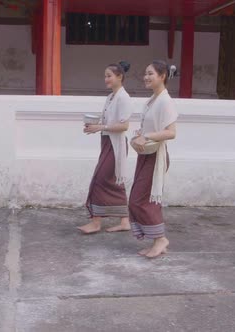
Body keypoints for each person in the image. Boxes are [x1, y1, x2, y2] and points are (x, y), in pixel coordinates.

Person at [129, 60, 178, 258]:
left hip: (156, 156)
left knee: (140, 199)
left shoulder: (165, 101)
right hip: (146, 155)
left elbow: (171, 133)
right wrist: (140, 133)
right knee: (140, 199)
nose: (146, 77)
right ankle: (157, 240)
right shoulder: (152, 100)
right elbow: (151, 128)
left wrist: (146, 136)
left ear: (162, 76)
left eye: (151, 73)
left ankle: (160, 239)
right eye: (145, 73)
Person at [78, 61, 134, 234]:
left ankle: (96, 222)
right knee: (115, 181)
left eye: (109, 76)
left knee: (99, 180)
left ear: (120, 77)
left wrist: (101, 127)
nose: (106, 79)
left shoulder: (124, 98)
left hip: (116, 145)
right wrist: (94, 127)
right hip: (107, 143)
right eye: (105, 76)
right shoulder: (111, 97)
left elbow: (124, 126)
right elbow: (108, 123)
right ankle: (125, 220)